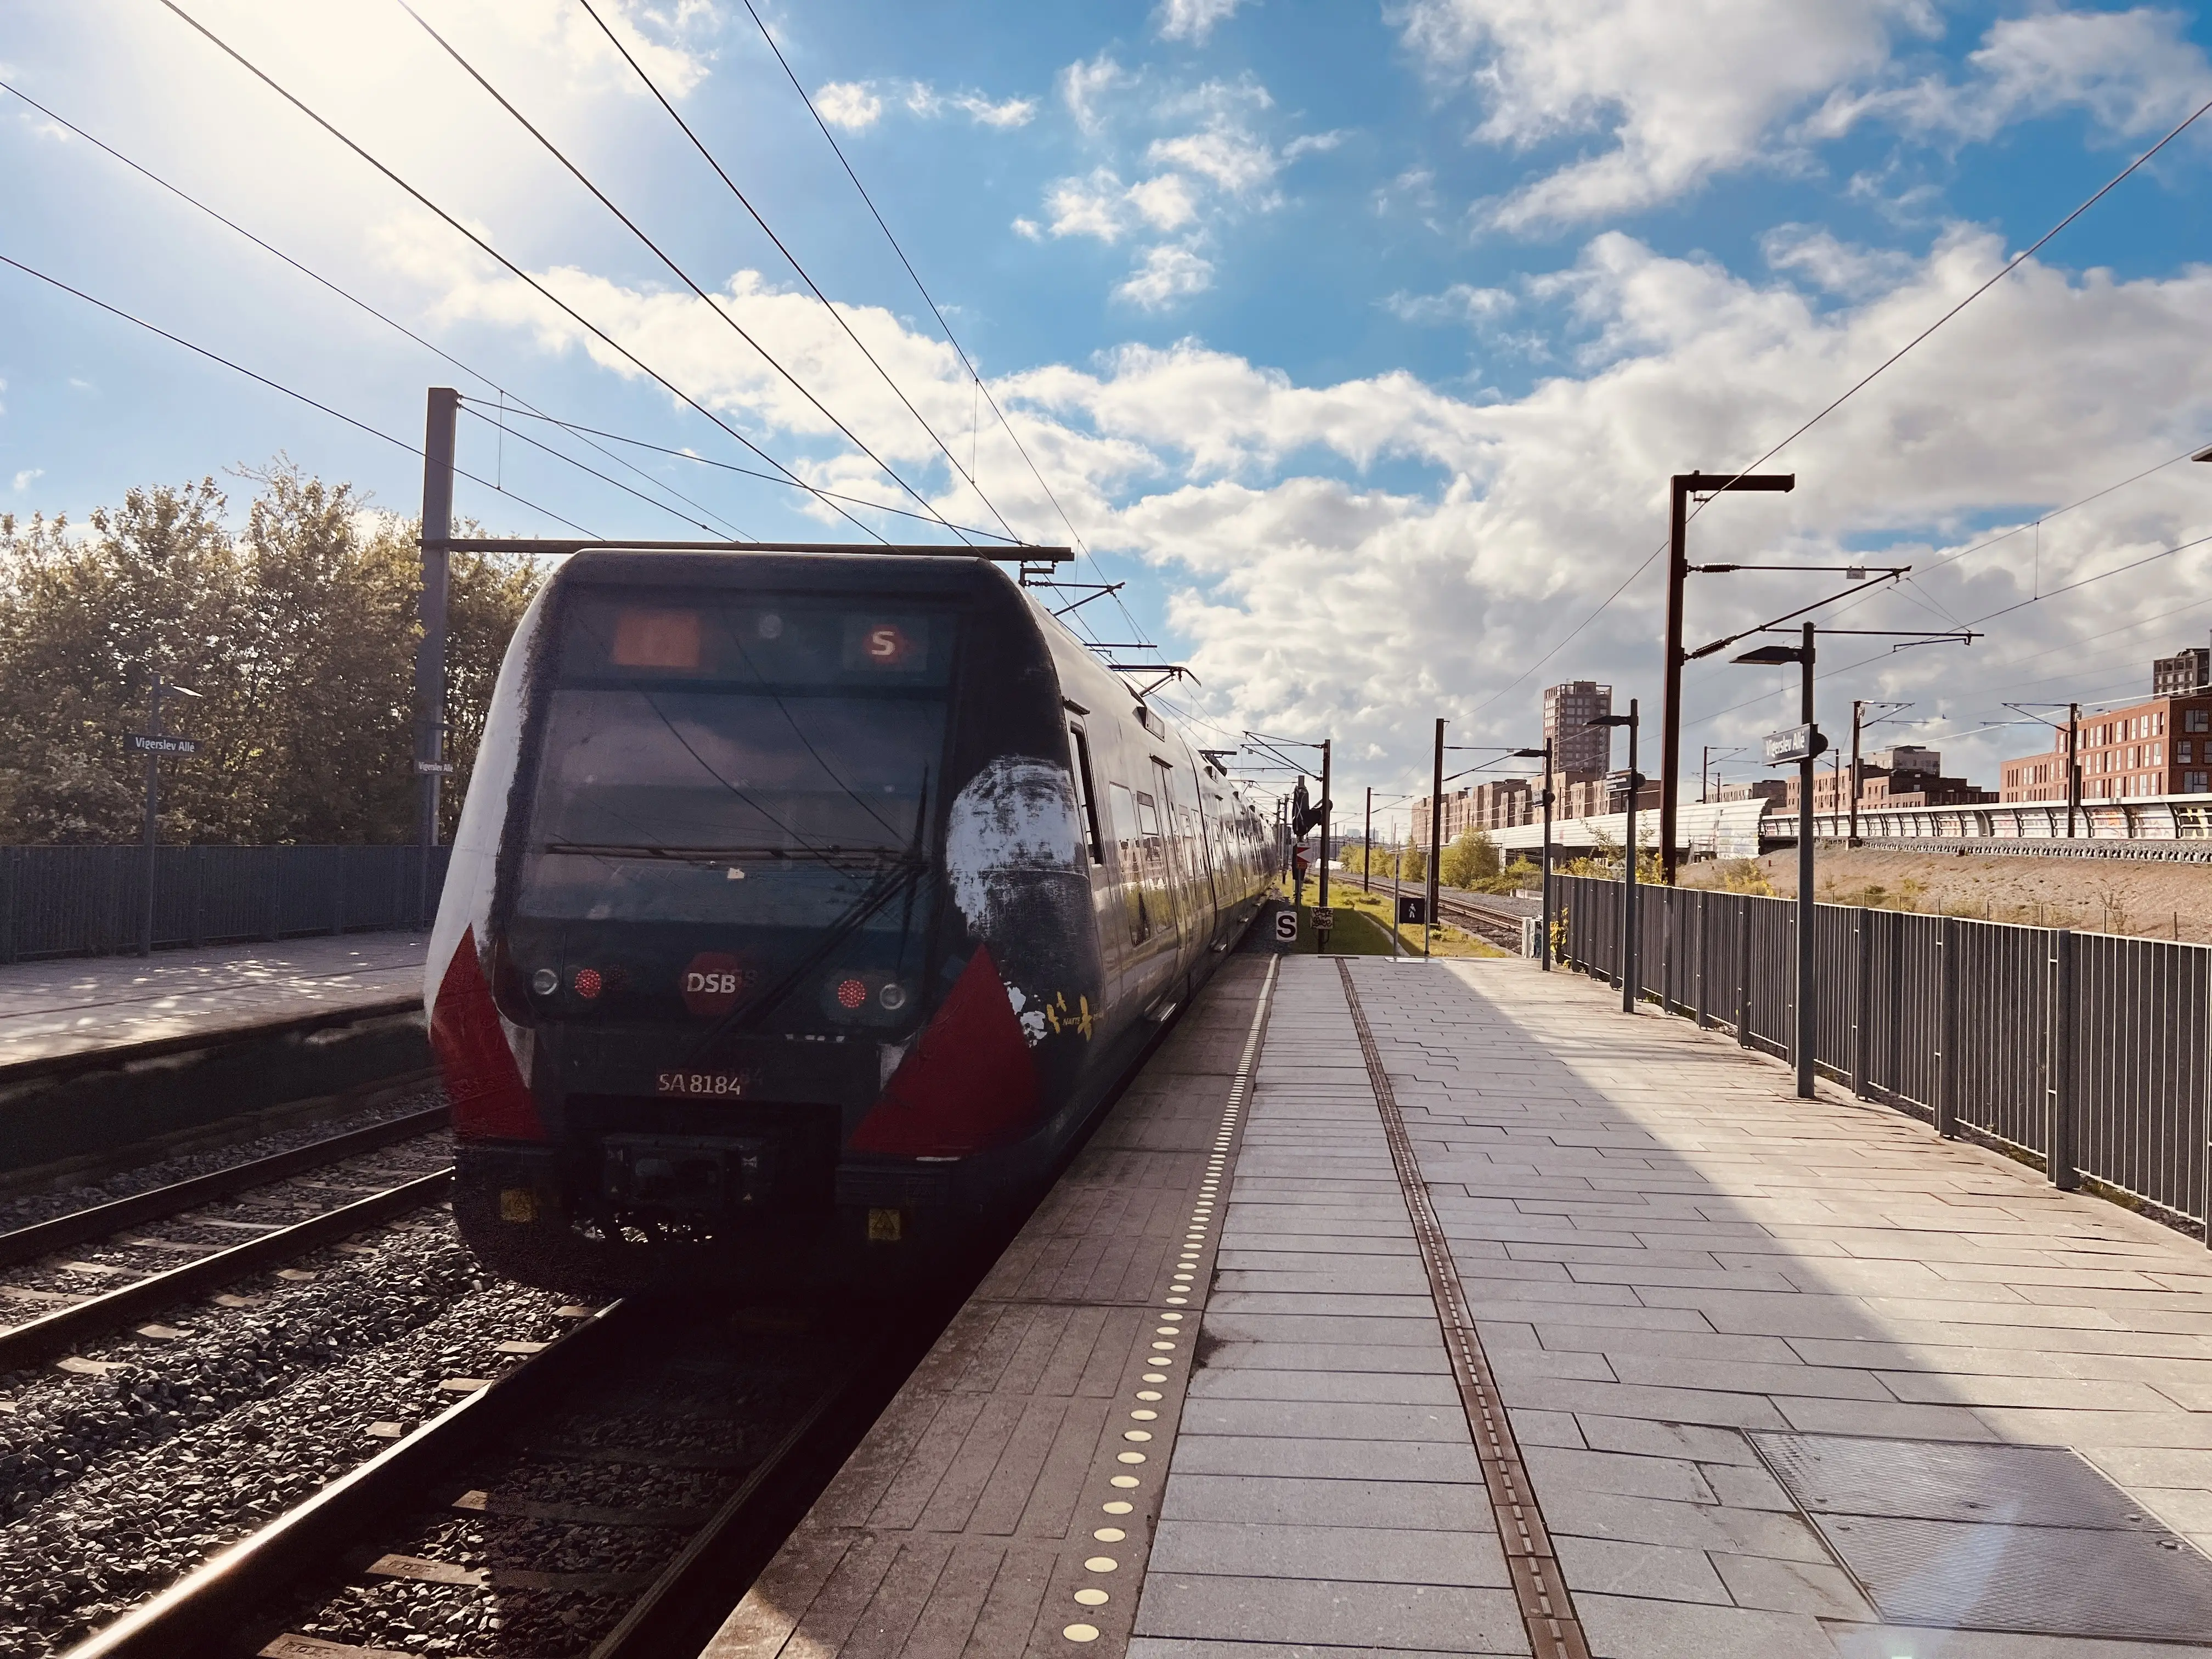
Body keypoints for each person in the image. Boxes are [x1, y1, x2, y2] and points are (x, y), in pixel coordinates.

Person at [1291, 840, 1310, 906]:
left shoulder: (1296, 847)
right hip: (1300, 870)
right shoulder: (1303, 846)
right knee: (1299, 881)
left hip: (1297, 869)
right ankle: (1298, 897)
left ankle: (1297, 896)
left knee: (1298, 881)